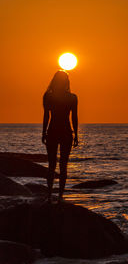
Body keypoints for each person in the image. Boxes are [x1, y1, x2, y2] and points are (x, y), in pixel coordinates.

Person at [42, 70, 78, 203]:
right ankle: (60, 196)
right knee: (63, 165)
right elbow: (74, 117)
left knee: (52, 164)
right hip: (66, 132)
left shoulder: (48, 96)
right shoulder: (72, 97)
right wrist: (76, 135)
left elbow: (47, 116)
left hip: (53, 131)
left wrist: (43, 132)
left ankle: (50, 195)